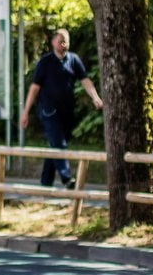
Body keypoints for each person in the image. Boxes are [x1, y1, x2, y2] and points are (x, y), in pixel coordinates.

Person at [19, 29, 103, 189]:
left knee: (54, 145)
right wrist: (25, 112)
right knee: (59, 144)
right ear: (53, 42)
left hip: (67, 112)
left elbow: (85, 80)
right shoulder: (45, 62)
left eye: (65, 41)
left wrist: (95, 97)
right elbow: (34, 88)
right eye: (60, 41)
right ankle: (66, 178)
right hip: (48, 111)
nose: (63, 44)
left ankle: (45, 182)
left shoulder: (73, 60)